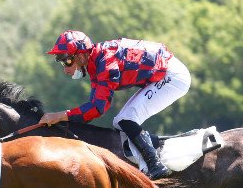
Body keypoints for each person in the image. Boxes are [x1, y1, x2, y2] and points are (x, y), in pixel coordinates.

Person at [40, 30, 192, 180]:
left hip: (172, 76)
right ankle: (153, 157)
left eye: (67, 61)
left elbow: (97, 108)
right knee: (121, 121)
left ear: (80, 56)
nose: (66, 69)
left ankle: (156, 165)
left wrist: (60, 116)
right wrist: (64, 116)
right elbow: (92, 107)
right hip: (164, 73)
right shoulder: (96, 62)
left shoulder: (105, 63)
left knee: (126, 119)